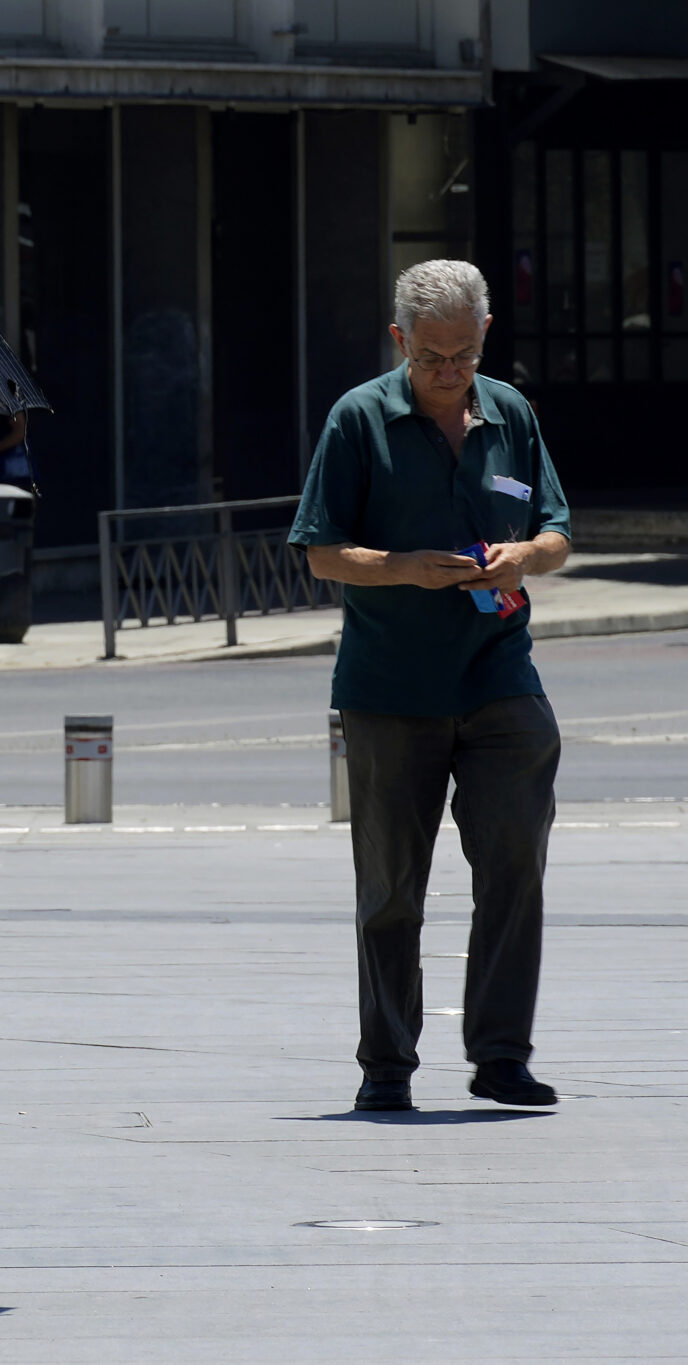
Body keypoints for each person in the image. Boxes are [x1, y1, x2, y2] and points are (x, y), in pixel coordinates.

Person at [289, 259, 570, 1114]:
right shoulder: (358, 420)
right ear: (399, 340)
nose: (451, 372)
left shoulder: (510, 413)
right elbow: (319, 550)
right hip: (389, 687)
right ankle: (387, 1065)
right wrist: (404, 567)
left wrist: (525, 555)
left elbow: (557, 530)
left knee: (516, 859)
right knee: (390, 888)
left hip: (498, 671)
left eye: (465, 353)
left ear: (486, 337)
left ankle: (500, 1055)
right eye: (433, 356)